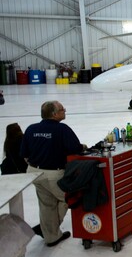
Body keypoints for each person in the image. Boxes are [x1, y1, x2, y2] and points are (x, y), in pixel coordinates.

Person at [20, 101, 84, 247]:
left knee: (46, 204)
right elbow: (75, 148)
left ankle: (51, 235)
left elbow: (23, 153)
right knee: (68, 198)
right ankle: (50, 230)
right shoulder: (62, 129)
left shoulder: (31, 129)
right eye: (62, 109)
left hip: (34, 173)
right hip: (54, 173)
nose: (65, 111)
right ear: (54, 114)